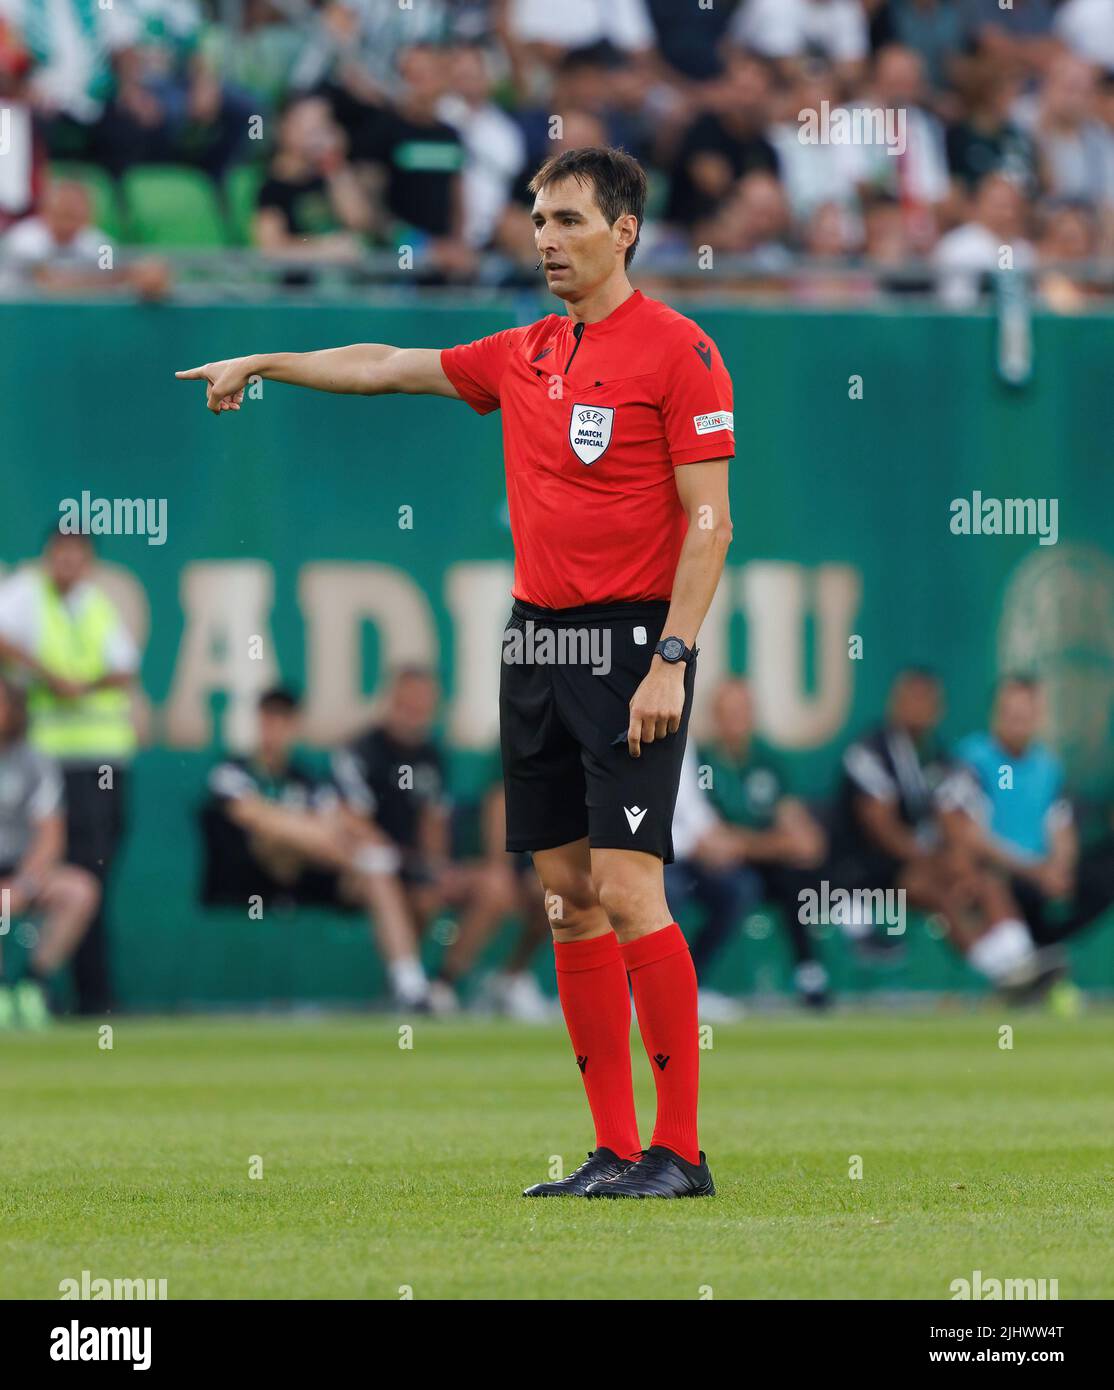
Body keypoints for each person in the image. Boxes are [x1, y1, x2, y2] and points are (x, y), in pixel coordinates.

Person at [177, 143, 734, 1200]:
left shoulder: (681, 352)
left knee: (627, 887)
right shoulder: (523, 351)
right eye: (535, 218)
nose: (544, 238)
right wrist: (263, 363)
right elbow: (386, 363)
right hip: (535, 641)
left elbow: (710, 524)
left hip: (628, 646)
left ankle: (682, 1151)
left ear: (623, 230)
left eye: (567, 219)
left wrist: (671, 656)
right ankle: (615, 1149)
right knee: (567, 898)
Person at [202, 686, 433, 1011]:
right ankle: (359, 860)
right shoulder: (232, 771)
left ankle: (409, 985)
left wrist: (354, 840)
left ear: (294, 727)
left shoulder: (306, 779)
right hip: (247, 876)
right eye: (268, 719)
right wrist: (320, 832)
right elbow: (252, 816)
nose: (274, 729)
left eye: (283, 720)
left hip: (310, 875)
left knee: (376, 872)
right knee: (279, 834)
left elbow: (338, 819)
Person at [0, 529, 138, 1015]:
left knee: (90, 876)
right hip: (50, 755)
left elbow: (125, 668)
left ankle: (81, 993)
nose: (68, 565)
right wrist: (50, 677)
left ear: (89, 563)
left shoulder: (96, 605)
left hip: (100, 763)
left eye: (78, 557)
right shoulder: (22, 595)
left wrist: (83, 684)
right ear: (47, 557)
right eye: (60, 556)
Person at [0, 675, 100, 1028]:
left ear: (14, 710)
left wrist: (23, 886)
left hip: (22, 873)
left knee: (79, 890)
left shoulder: (35, 763)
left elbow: (50, 837)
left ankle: (33, 985)